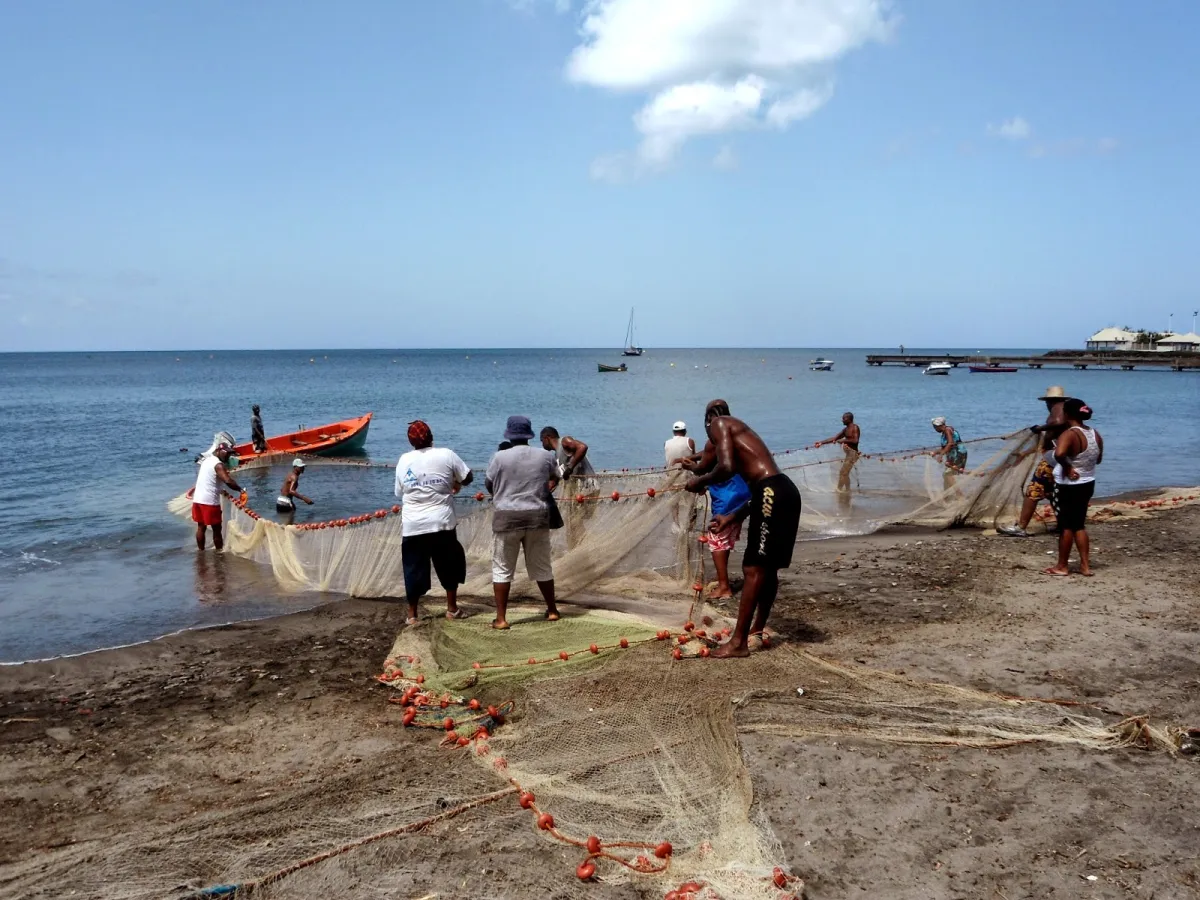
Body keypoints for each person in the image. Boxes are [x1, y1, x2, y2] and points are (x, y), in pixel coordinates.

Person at [685, 400, 802, 658]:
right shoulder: (739, 430)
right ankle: (756, 630)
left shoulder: (717, 424)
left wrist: (699, 482)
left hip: (770, 491)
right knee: (768, 567)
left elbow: (724, 467)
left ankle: (738, 643)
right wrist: (732, 517)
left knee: (753, 568)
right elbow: (758, 489)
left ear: (708, 420)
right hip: (784, 490)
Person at [394, 420, 473, 624]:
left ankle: (412, 615)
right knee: (449, 565)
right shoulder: (446, 454)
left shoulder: (403, 460)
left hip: (413, 526)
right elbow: (468, 477)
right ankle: (452, 609)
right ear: (431, 437)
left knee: (413, 569)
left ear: (411, 441)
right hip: (442, 523)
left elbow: (399, 492)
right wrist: (454, 483)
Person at [487, 416, 561, 630]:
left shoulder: (499, 457)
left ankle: (501, 619)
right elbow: (556, 475)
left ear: (509, 435)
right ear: (529, 435)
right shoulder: (544, 456)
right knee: (542, 566)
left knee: (502, 568)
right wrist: (546, 486)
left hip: (507, 518)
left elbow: (489, 483)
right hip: (537, 517)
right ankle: (553, 611)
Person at [1000, 386, 1070, 537]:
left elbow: (1057, 422)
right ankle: (1063, 525)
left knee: (1033, 489)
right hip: (1060, 458)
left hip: (1053, 459)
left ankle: (1021, 527)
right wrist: (1026, 452)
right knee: (1052, 492)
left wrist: (1039, 428)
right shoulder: (1066, 409)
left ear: (1050, 401)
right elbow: (1051, 437)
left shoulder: (1058, 407)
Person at [1044, 399, 1103, 576]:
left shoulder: (1069, 434)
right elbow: (1098, 459)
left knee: (1066, 527)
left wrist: (1069, 468)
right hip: (1087, 483)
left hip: (1068, 486)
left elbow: (1060, 453)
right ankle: (1085, 566)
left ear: (1067, 415)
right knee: (1079, 525)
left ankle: (1062, 566)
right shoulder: (1094, 434)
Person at [191, 441, 245, 551]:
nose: (228, 456)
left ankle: (201, 552)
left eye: (230, 454)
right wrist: (240, 490)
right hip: (209, 502)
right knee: (217, 529)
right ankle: (219, 553)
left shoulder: (207, 460)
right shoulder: (218, 465)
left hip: (197, 500)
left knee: (201, 527)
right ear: (219, 451)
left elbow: (211, 480)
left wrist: (221, 490)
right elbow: (228, 480)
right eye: (226, 453)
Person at [815, 412, 861, 492]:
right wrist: (821, 443)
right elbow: (834, 438)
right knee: (845, 473)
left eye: (844, 418)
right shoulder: (845, 430)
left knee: (843, 472)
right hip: (848, 454)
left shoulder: (855, 427)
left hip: (853, 454)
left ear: (849, 419)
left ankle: (839, 490)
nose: (842, 420)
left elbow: (855, 440)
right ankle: (847, 490)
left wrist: (843, 440)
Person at [931, 416, 967, 486]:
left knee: (947, 475)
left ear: (939, 425)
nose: (935, 429)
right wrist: (935, 452)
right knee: (947, 475)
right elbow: (944, 448)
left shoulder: (947, 430)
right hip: (953, 455)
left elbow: (950, 443)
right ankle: (947, 495)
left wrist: (941, 455)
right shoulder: (944, 433)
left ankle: (960, 496)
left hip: (958, 454)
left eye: (935, 427)